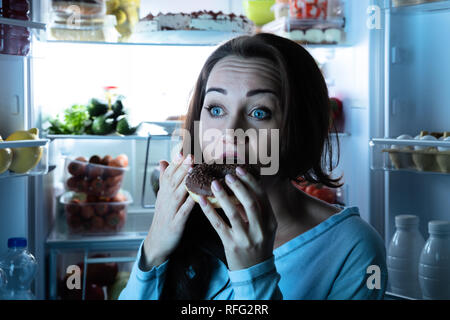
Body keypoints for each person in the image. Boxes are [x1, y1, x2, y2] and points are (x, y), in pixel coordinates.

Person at [119, 33, 387, 300]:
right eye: (215, 109)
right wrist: (153, 249)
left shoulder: (354, 248)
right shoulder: (183, 222)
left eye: (259, 112)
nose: (230, 131)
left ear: (300, 129)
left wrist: (253, 275)